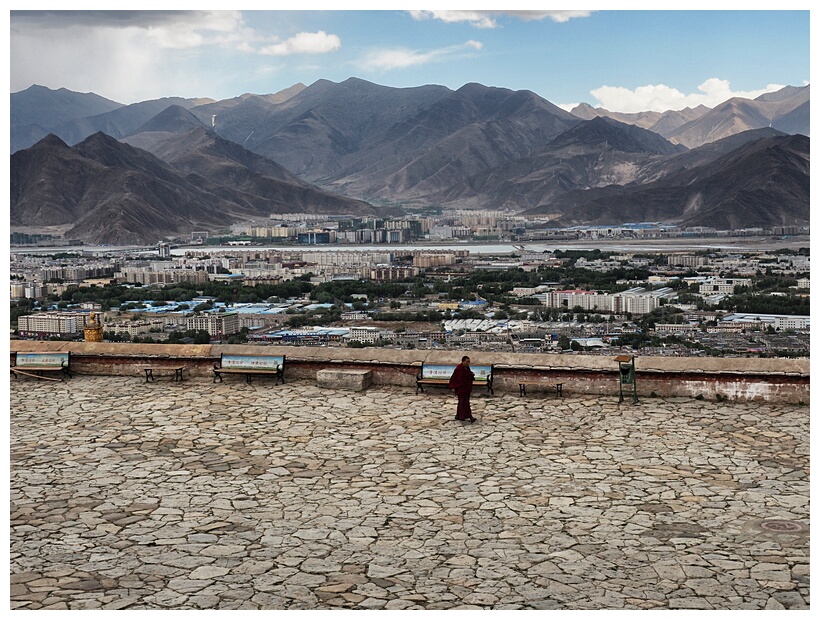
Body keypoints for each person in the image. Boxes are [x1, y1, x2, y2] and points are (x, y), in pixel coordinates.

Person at [448, 355, 476, 423]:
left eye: (469, 362)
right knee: (463, 403)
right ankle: (468, 416)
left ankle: (459, 415)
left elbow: (468, 375)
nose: (468, 363)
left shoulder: (467, 368)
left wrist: (471, 375)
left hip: (466, 388)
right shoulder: (459, 368)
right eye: (467, 362)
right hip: (460, 388)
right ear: (463, 361)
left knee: (464, 402)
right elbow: (454, 378)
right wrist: (453, 387)